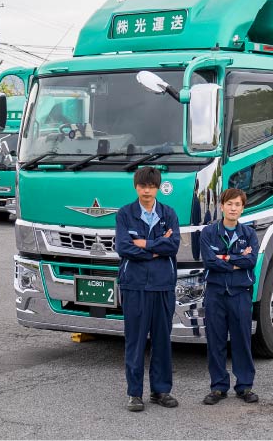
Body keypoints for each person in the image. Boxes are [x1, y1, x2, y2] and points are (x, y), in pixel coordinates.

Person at [115, 166, 181, 412]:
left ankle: (161, 390)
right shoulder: (125, 214)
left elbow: (173, 246)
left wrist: (145, 244)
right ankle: (135, 394)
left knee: (162, 340)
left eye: (151, 186)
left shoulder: (169, 213)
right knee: (135, 341)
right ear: (136, 187)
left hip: (163, 285)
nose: (147, 191)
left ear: (158, 188)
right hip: (134, 285)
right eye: (143, 186)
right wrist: (157, 247)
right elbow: (124, 247)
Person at [199, 188, 260, 405]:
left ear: (243, 208)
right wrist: (235, 260)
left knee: (242, 340)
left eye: (237, 205)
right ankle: (218, 387)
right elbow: (209, 261)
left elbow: (250, 261)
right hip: (215, 293)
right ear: (222, 206)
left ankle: (244, 386)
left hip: (240, 294)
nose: (233, 208)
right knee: (215, 341)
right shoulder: (208, 233)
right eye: (229, 204)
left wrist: (224, 258)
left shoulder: (249, 234)